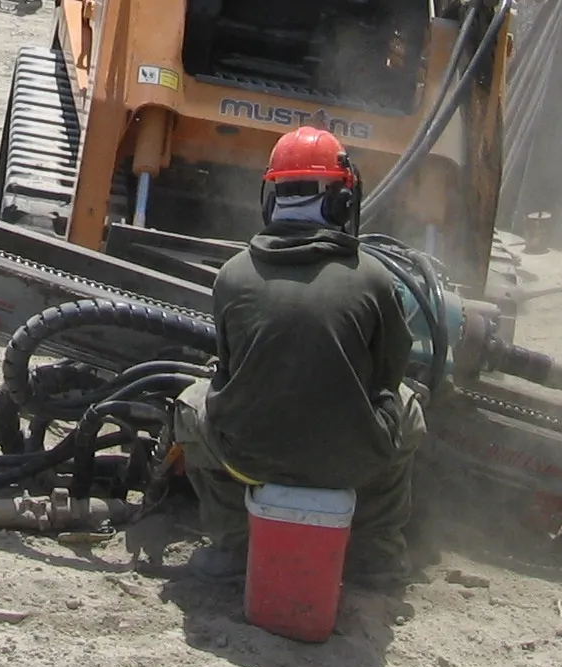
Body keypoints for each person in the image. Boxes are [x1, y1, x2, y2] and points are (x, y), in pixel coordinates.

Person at [174, 126, 422, 585]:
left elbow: (227, 369)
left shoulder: (231, 275)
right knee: (408, 405)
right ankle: (376, 556)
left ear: (270, 197)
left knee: (191, 404)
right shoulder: (373, 278)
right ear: (341, 202)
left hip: (246, 457)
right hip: (351, 463)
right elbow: (389, 374)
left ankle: (233, 546)